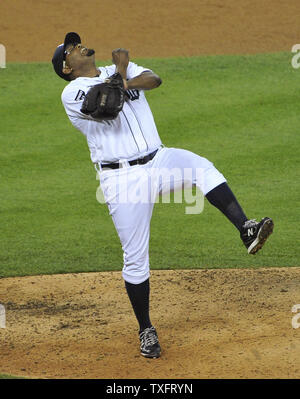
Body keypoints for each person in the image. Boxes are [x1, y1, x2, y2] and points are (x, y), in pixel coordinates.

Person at [52, 32, 274, 359]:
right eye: (71, 49)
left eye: (76, 43)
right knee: (136, 258)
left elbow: (153, 79)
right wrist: (122, 77)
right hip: (122, 178)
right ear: (67, 67)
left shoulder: (116, 73)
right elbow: (105, 108)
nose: (78, 46)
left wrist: (124, 78)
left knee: (203, 169)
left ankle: (246, 229)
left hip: (158, 159)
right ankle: (145, 329)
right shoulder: (71, 91)